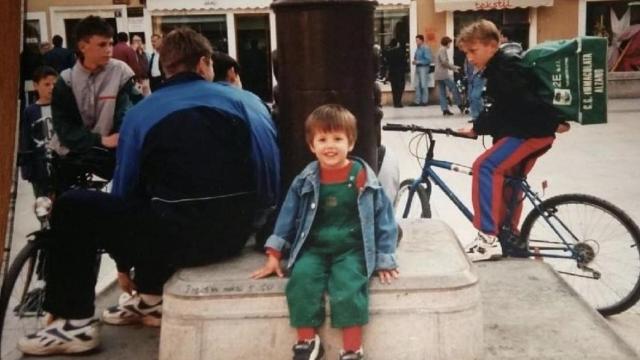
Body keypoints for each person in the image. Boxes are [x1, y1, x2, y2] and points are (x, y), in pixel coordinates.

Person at [17, 26, 281, 356]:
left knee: (74, 204)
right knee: (167, 209)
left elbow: (125, 191)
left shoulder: (143, 114)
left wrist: (125, 265)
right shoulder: (249, 102)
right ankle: (151, 299)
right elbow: (270, 173)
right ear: (203, 64)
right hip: (235, 236)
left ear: (166, 68)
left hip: (171, 244)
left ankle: (75, 323)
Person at [251, 104, 398, 360]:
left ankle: (352, 348)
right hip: (314, 248)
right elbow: (287, 215)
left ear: (350, 143)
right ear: (312, 145)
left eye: (338, 139)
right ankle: (307, 340)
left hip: (351, 248)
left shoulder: (363, 176)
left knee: (350, 286)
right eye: (322, 139)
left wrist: (385, 258)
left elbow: (383, 218)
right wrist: (274, 252)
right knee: (301, 280)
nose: (330, 145)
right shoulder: (306, 179)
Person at [455, 20, 570, 261]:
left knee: (484, 167)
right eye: (466, 53)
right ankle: (510, 237)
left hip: (529, 133)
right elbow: (508, 107)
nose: (470, 58)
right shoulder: (505, 64)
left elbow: (522, 103)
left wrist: (478, 126)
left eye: (473, 51)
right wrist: (478, 127)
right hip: (533, 131)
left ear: (493, 45)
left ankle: (487, 238)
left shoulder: (504, 68)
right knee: (509, 180)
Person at [50, 16, 141, 192]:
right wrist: (100, 140)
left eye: (110, 44)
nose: (109, 50)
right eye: (102, 45)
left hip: (110, 160)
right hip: (71, 160)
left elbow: (129, 112)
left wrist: (120, 137)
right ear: (82, 46)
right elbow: (64, 128)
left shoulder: (121, 72)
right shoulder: (65, 81)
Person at [19, 66, 58, 198]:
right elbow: (25, 138)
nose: (51, 88)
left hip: (62, 166)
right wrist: (26, 168)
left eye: (54, 84)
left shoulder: (62, 107)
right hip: (39, 168)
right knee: (42, 204)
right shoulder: (30, 111)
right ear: (36, 86)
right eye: (47, 84)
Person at [434, 36, 463, 116]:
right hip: (443, 74)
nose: (450, 45)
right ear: (447, 43)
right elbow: (444, 62)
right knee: (454, 87)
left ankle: (445, 109)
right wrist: (453, 68)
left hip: (438, 74)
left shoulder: (439, 49)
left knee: (442, 92)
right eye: (450, 43)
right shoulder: (443, 50)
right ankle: (460, 104)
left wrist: (453, 67)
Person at [383, 38, 408, 108]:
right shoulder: (400, 51)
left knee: (394, 88)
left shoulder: (389, 52)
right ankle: (399, 102)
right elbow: (404, 62)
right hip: (400, 72)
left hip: (392, 72)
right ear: (397, 44)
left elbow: (386, 62)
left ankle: (395, 102)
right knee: (400, 88)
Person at [411, 34, 432, 106]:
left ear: (422, 40)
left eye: (417, 40)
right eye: (416, 40)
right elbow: (416, 57)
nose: (416, 42)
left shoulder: (425, 48)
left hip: (424, 68)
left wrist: (418, 61)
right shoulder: (418, 48)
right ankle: (417, 101)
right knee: (417, 85)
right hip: (418, 67)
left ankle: (424, 101)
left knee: (423, 85)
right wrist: (415, 61)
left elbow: (429, 60)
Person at [464, 58, 485, 122]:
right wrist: (467, 75)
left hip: (478, 76)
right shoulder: (468, 54)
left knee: (475, 96)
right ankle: (475, 117)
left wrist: (480, 73)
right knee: (471, 97)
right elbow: (466, 64)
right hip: (470, 78)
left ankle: (482, 116)